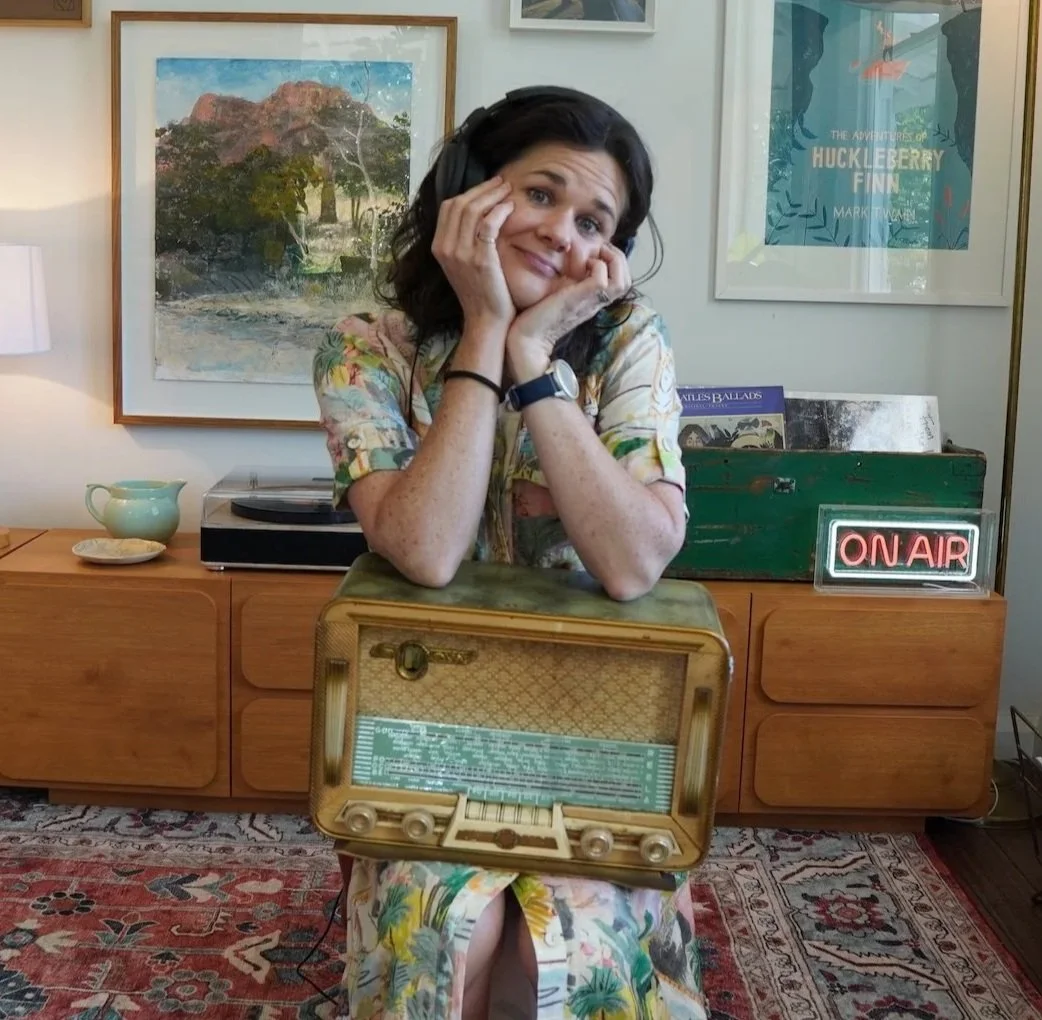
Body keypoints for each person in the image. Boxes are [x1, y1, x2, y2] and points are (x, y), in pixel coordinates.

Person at [313, 86, 705, 1020]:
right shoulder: (367, 350)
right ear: (467, 192)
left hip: (596, 749)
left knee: (548, 950)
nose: (558, 232)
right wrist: (486, 330)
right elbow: (424, 551)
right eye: (539, 194)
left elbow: (633, 563)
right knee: (452, 927)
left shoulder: (628, 345)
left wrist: (534, 359)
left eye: (590, 220)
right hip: (419, 745)